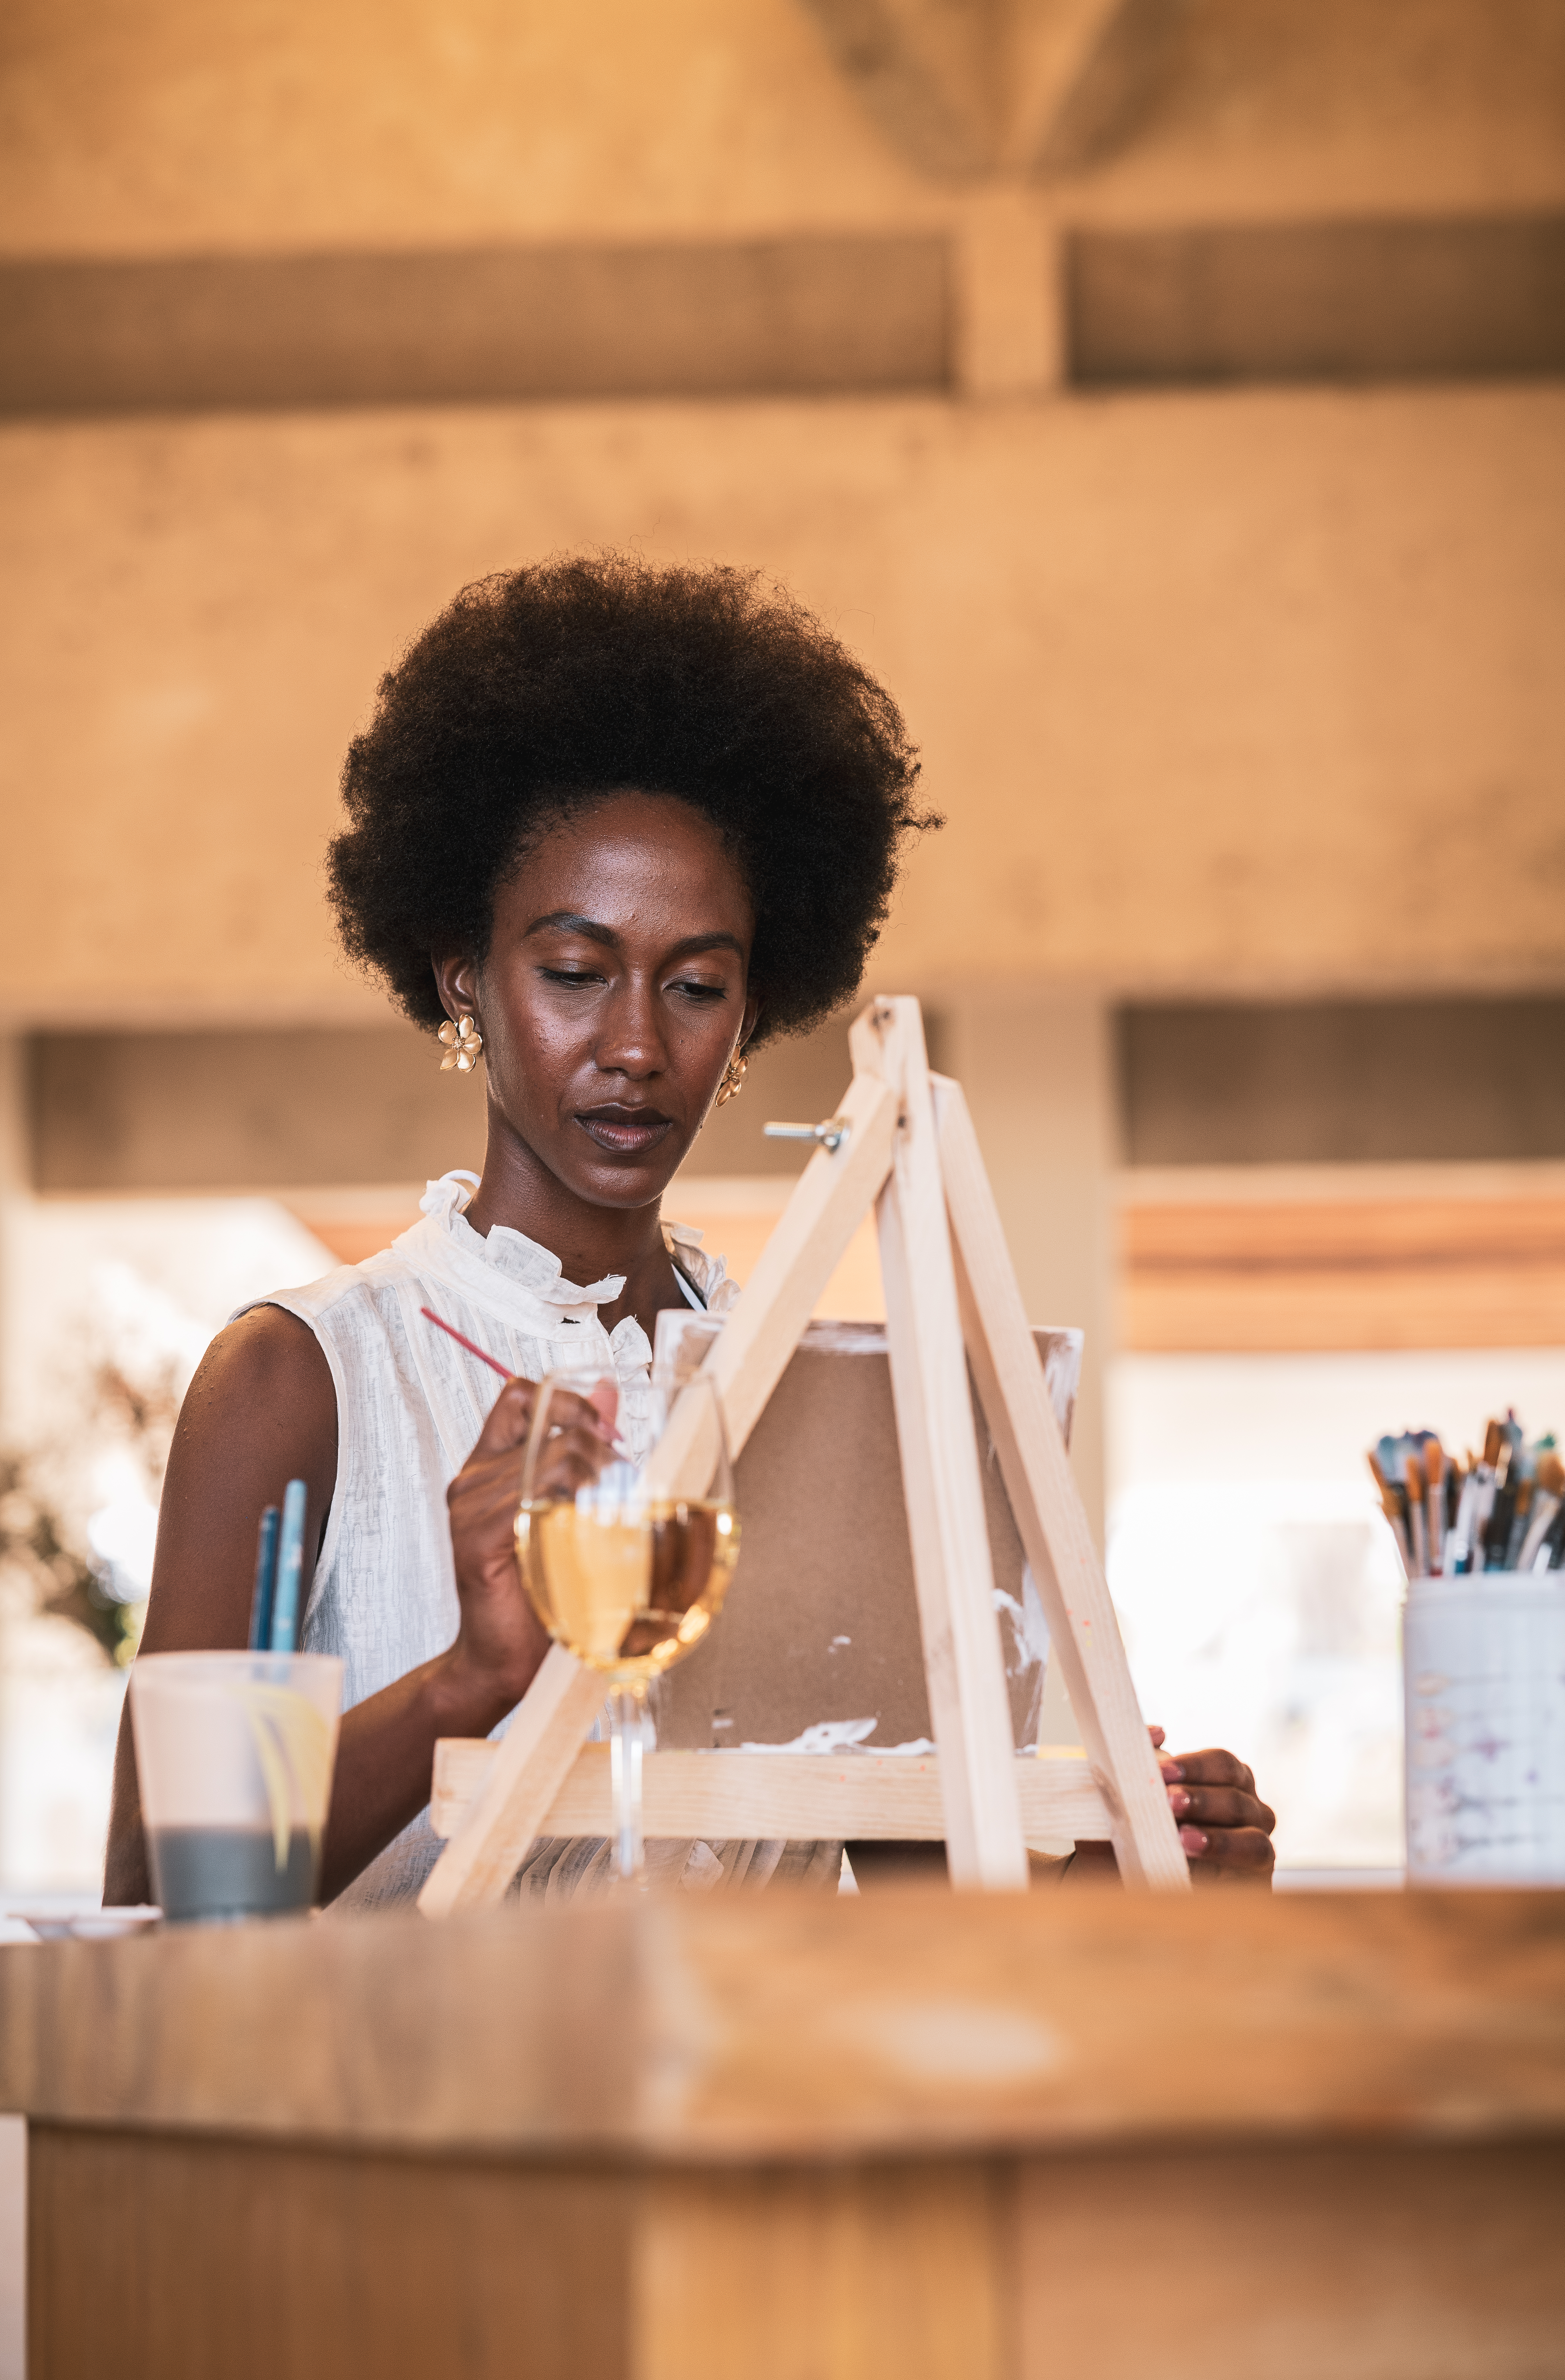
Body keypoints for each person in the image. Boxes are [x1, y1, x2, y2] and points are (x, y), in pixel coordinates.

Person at [103, 555, 1275, 1909]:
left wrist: (1151, 1862)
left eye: (698, 984)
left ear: (751, 1014)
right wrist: (472, 1680)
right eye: (574, 972)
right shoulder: (304, 1379)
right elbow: (146, 1884)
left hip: (751, 2112)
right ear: (460, 975)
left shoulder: (821, 1405)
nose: (638, 1046)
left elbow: (917, 1889)